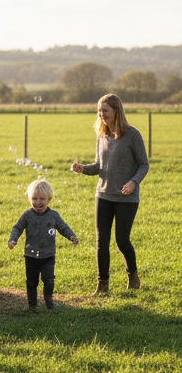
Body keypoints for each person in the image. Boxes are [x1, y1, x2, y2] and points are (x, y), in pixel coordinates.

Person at [69, 93, 149, 294]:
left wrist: (133, 182)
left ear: (116, 111)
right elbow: (99, 166)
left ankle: (133, 275)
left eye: (105, 110)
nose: (101, 114)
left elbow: (143, 164)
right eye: (99, 111)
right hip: (103, 195)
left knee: (122, 240)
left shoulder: (132, 135)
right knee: (101, 241)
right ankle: (102, 285)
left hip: (126, 198)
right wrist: (83, 169)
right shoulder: (101, 135)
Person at [8, 179, 79, 310]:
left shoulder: (53, 215)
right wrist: (13, 239)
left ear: (49, 199)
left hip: (48, 255)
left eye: (42, 199)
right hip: (31, 256)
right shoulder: (27, 215)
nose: (38, 202)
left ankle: (48, 300)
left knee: (49, 279)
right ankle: (32, 305)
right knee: (31, 282)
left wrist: (71, 236)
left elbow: (63, 227)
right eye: (34, 198)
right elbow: (17, 228)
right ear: (30, 199)